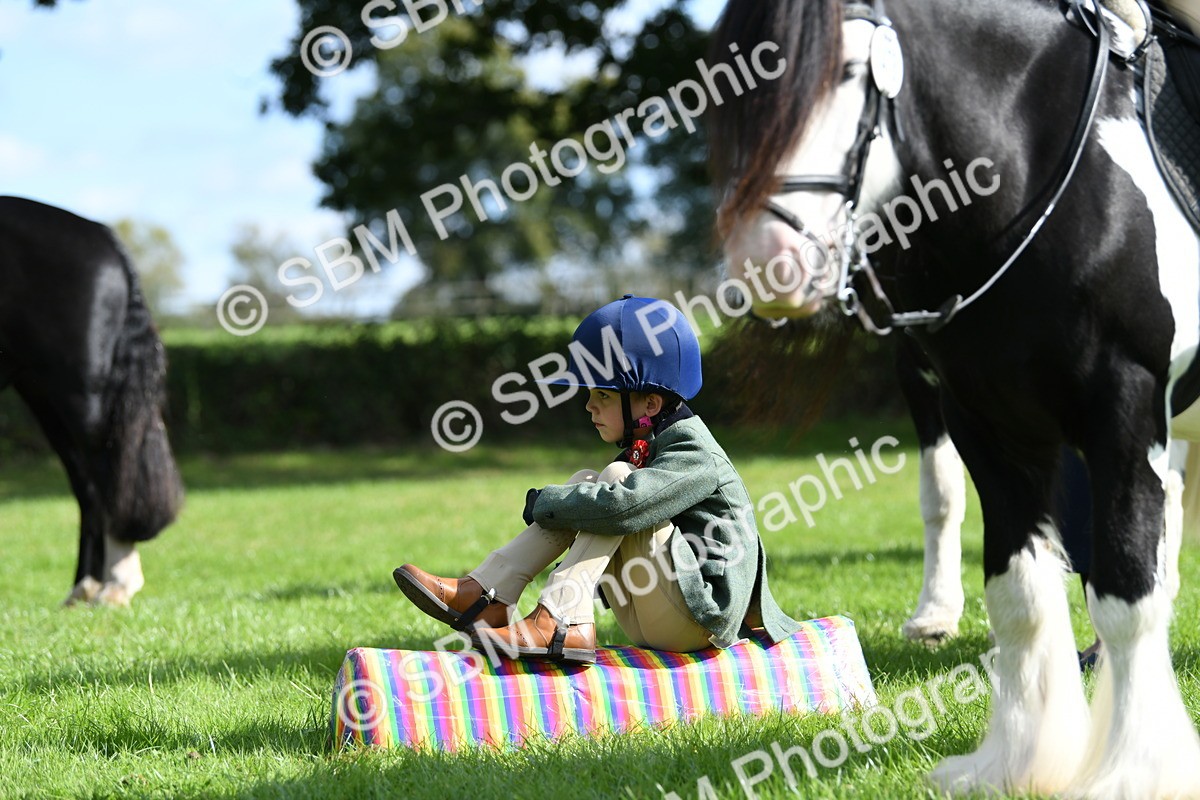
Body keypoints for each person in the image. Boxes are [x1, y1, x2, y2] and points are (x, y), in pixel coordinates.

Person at [393, 295, 801, 665]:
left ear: (650, 403)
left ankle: (559, 618)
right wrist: (565, 501)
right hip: (655, 613)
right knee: (589, 481)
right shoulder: (653, 444)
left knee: (616, 483)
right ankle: (488, 594)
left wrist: (544, 502)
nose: (589, 406)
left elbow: (624, 506)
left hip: (700, 620)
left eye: (603, 395)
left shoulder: (695, 453)